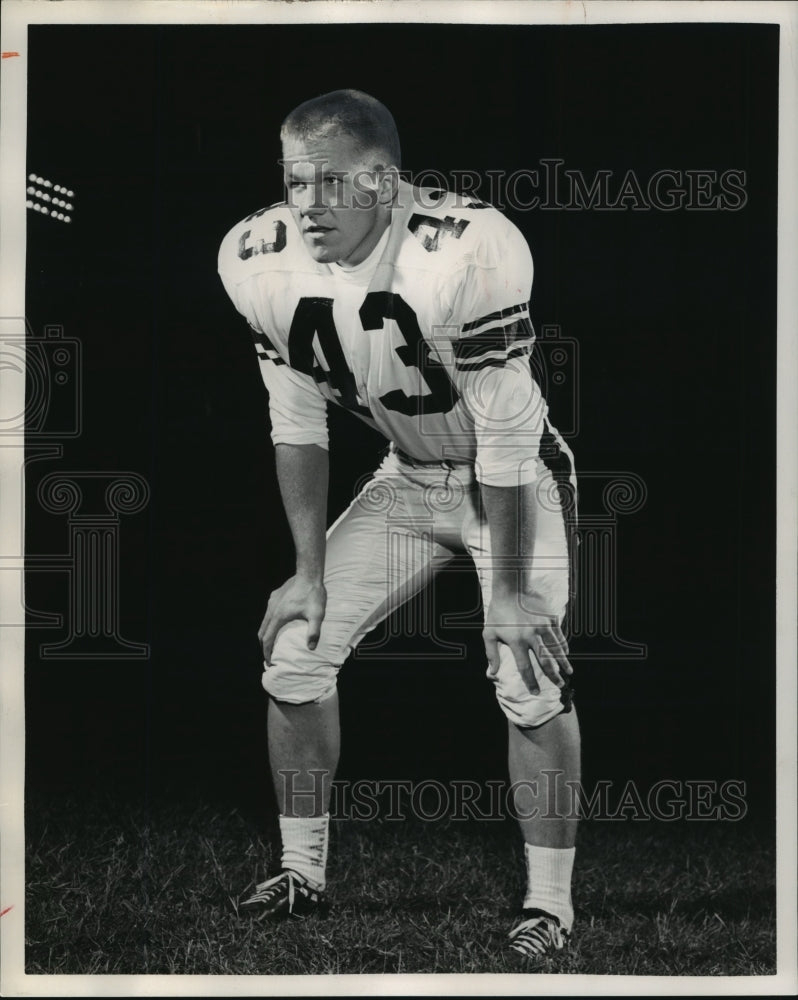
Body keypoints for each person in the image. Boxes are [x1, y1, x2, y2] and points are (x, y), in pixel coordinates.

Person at [217, 89, 580, 962]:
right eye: (295, 182)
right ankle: (302, 873)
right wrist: (305, 570)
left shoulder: (468, 248)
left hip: (513, 473)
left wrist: (509, 593)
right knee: (296, 648)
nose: (307, 206)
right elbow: (296, 423)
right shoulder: (256, 256)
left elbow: (504, 431)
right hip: (406, 478)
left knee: (527, 669)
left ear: (385, 181)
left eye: (333, 184)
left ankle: (550, 905)